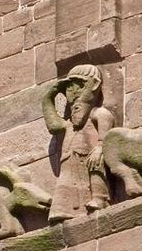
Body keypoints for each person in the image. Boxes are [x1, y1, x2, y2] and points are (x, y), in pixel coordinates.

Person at [41, 65, 114, 223]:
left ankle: (99, 199)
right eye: (69, 86)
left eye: (78, 85)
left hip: (90, 156)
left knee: (95, 170)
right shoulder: (69, 123)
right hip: (69, 160)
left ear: (92, 85)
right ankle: (64, 210)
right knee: (65, 186)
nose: (72, 90)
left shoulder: (99, 113)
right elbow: (54, 126)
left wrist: (100, 148)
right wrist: (47, 98)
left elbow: (106, 135)